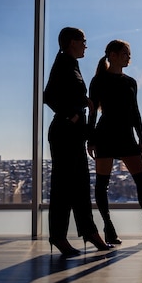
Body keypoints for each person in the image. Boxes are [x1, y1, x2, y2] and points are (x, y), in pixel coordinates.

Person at [87, 39, 142, 246]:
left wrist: (141, 137)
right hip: (104, 135)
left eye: (129, 54)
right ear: (112, 55)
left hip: (126, 136)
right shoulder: (98, 81)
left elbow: (135, 111)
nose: (128, 57)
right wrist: (90, 139)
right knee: (102, 185)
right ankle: (108, 227)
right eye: (125, 53)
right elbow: (93, 112)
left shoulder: (130, 82)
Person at [43, 27, 112, 256]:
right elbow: (49, 96)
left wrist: (83, 100)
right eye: (83, 41)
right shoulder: (64, 62)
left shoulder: (70, 63)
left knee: (79, 184)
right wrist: (69, 115)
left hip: (71, 134)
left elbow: (66, 92)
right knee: (64, 187)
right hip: (65, 132)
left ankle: (87, 232)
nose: (85, 45)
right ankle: (61, 236)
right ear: (72, 42)